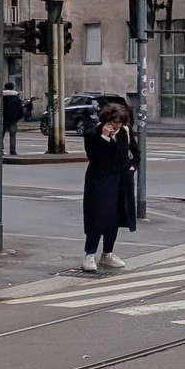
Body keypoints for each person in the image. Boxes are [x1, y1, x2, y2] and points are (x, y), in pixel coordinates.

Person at [81, 100, 136, 273]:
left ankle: (107, 253)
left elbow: (135, 151)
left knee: (115, 217)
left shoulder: (125, 131)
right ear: (106, 121)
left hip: (121, 180)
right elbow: (96, 158)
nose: (117, 127)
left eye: (120, 123)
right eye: (114, 123)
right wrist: (105, 138)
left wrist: (133, 166)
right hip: (100, 181)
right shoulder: (92, 134)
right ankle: (89, 254)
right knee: (98, 217)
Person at [2, 79, 23, 156]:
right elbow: (20, 109)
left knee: (0, 135)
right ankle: (13, 151)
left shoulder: (2, 97)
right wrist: (17, 118)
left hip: (3, 118)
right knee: (13, 135)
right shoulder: (16, 98)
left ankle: (0, 149)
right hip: (13, 119)